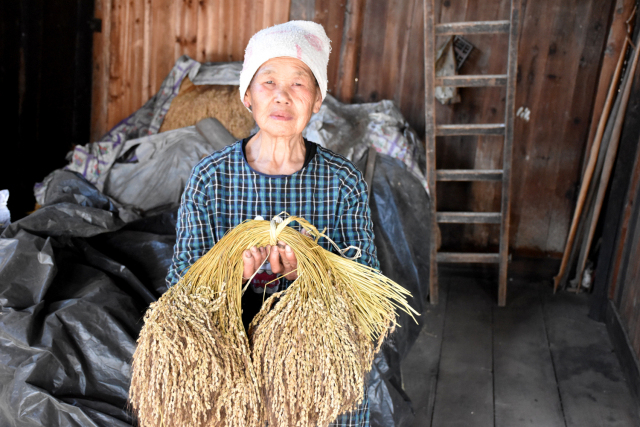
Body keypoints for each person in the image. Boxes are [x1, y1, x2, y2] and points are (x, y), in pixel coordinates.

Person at [166, 20, 379, 427]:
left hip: (318, 379)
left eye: (299, 83)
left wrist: (308, 274)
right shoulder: (211, 179)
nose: (283, 96)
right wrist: (233, 277)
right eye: (268, 82)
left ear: (317, 100)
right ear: (247, 95)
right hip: (233, 375)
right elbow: (180, 285)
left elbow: (367, 288)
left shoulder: (341, 181)